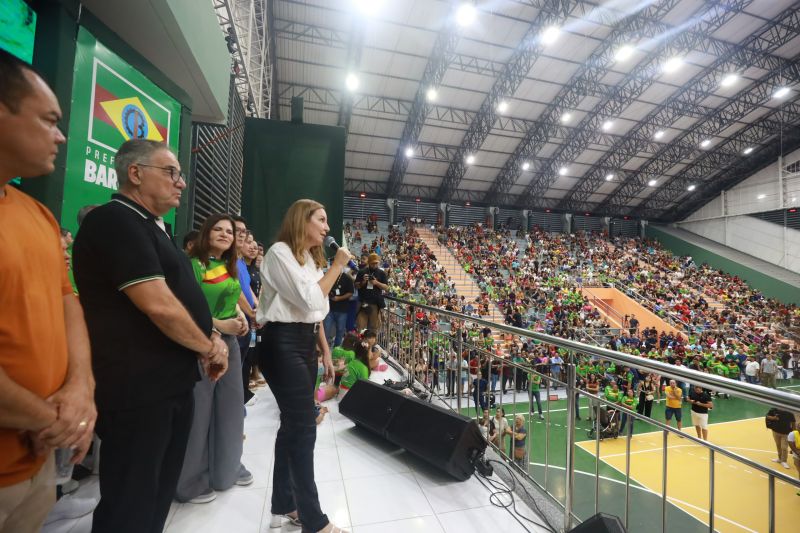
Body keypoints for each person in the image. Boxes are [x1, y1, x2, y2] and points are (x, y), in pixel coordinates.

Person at [72, 139, 228, 533]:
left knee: (156, 495)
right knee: (132, 501)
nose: (181, 183)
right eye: (171, 172)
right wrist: (209, 347)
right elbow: (157, 304)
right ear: (135, 173)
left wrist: (211, 333)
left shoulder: (152, 227)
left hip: (169, 383)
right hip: (138, 388)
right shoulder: (114, 221)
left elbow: (181, 298)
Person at [0, 49, 95, 533]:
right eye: (49, 120)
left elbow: (66, 302)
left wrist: (81, 388)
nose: (61, 136)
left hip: (37, 463)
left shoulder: (36, 214)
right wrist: (52, 419)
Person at [255, 199, 351, 533]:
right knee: (305, 426)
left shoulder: (309, 259)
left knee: (292, 426)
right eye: (321, 220)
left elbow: (318, 311)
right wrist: (337, 267)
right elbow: (311, 299)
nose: (327, 227)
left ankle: (286, 504)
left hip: (305, 341)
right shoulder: (279, 253)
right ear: (302, 221)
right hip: (282, 343)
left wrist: (324, 349)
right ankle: (314, 520)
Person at [175, 214, 252, 504]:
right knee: (200, 412)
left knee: (231, 408)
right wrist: (220, 326)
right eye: (217, 229)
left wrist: (240, 317)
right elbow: (187, 308)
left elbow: (231, 299)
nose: (224, 234)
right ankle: (189, 481)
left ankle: (226, 469)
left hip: (230, 343)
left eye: (229, 231)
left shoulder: (229, 266)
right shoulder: (194, 265)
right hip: (202, 343)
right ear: (206, 233)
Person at [355, 252, 388, 331]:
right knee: (360, 327)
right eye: (373, 263)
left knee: (373, 329)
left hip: (375, 304)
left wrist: (376, 283)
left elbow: (386, 287)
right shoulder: (362, 272)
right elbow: (356, 286)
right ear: (369, 262)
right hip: (363, 303)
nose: (375, 265)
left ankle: (371, 339)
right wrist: (363, 281)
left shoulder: (381, 273)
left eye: (376, 263)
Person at [323, 265, 354, 348]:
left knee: (340, 330)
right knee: (326, 330)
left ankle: (336, 349)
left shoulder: (347, 278)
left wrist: (339, 298)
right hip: (329, 309)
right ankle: (324, 349)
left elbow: (350, 292)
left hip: (342, 309)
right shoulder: (328, 276)